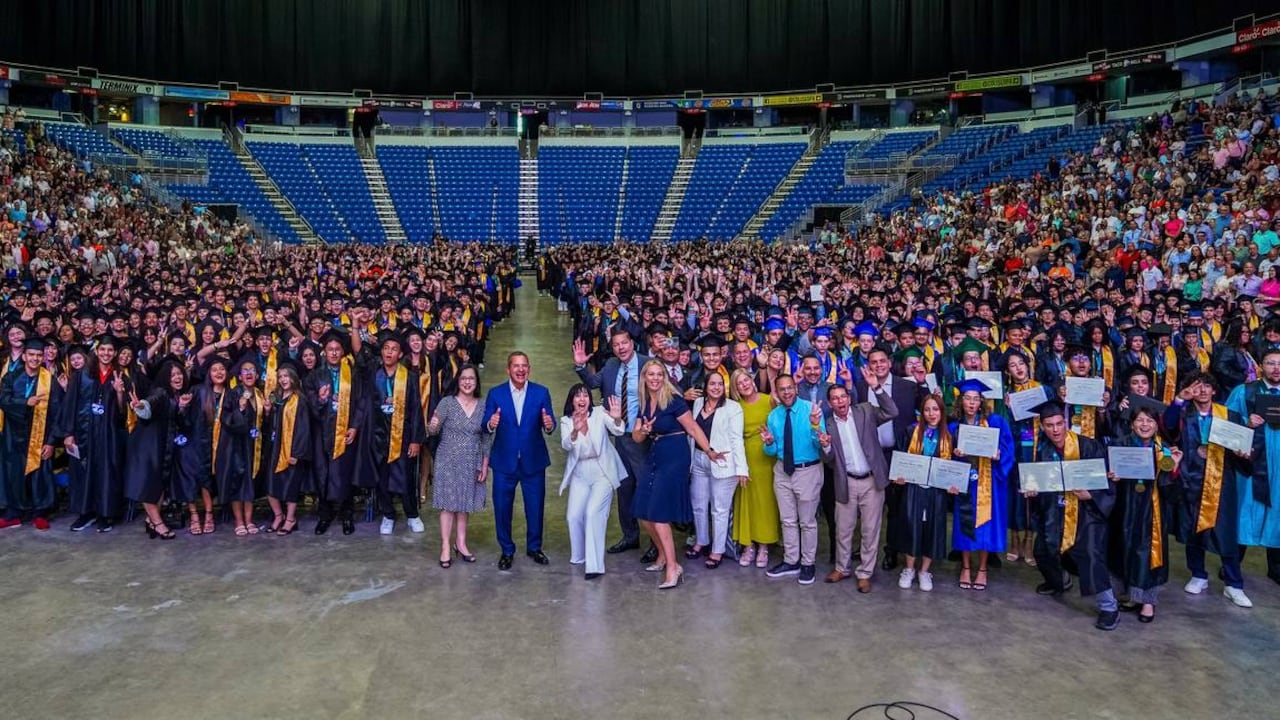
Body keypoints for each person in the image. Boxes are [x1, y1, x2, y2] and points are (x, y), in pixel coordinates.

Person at [1163, 372, 1254, 608]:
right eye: (1197, 386)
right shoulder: (1183, 414)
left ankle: (1234, 584)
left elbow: (1245, 449)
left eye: (1207, 386)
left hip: (1221, 481)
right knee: (1194, 529)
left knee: (1225, 532)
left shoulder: (1229, 415)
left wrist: (1243, 453)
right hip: (1191, 480)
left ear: (1214, 391)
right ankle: (1198, 574)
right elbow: (1167, 427)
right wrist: (1179, 399)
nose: (1202, 390)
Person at [631, 359, 722, 589]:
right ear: (644, 378)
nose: (654, 378)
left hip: (675, 455)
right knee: (643, 511)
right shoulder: (644, 403)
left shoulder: (673, 400)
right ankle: (662, 555)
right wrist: (643, 430)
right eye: (650, 374)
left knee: (659, 514)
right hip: (656, 454)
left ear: (664, 377)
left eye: (659, 374)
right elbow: (636, 437)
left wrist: (709, 450)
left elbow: (692, 428)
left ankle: (673, 567)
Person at [1028, 401, 1117, 630]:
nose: (1055, 430)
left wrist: (1092, 494)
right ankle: (1060, 581)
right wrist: (1033, 489)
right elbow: (1038, 481)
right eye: (1050, 425)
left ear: (1065, 423)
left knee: (1090, 554)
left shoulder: (1089, 446)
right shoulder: (1041, 450)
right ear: (1043, 427)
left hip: (1086, 513)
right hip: (1056, 511)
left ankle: (1109, 607)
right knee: (1041, 549)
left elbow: (1106, 480)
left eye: (1059, 424)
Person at [572, 327, 652, 559]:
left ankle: (655, 542)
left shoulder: (648, 364)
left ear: (632, 342)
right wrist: (580, 366)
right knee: (624, 487)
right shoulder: (610, 366)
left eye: (624, 343)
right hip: (619, 436)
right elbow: (593, 382)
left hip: (643, 436)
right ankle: (630, 536)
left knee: (645, 487)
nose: (621, 348)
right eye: (616, 345)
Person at [820, 372, 898, 591]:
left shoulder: (864, 410)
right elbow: (829, 460)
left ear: (849, 397)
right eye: (834, 398)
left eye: (842, 396)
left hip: (872, 482)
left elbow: (892, 411)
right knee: (843, 529)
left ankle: (865, 572)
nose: (839, 401)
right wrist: (825, 446)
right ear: (830, 403)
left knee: (870, 530)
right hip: (846, 482)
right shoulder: (828, 424)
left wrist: (877, 389)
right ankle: (842, 568)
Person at [484, 351, 557, 571]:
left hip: (533, 461)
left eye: (524, 365)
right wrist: (491, 423)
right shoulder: (496, 393)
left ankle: (534, 547)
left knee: (535, 508)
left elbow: (550, 421)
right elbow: (485, 423)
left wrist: (548, 424)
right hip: (504, 462)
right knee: (502, 508)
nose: (520, 369)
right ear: (508, 369)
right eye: (516, 366)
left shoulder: (541, 392)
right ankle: (507, 549)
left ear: (529, 369)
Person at [1109, 406, 1180, 623]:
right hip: (1126, 507)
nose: (1145, 425)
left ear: (1157, 425)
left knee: (1148, 553)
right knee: (1125, 549)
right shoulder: (1121, 445)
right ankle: (1131, 595)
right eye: (1140, 420)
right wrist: (1112, 477)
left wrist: (1173, 468)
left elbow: (1170, 491)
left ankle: (1148, 601)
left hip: (1152, 510)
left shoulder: (1165, 450)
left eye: (1150, 421)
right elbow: (1109, 477)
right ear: (1132, 424)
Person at [759, 374, 828, 586]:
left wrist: (816, 426)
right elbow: (771, 451)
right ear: (777, 393)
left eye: (790, 388)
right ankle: (791, 560)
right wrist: (769, 443)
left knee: (807, 522)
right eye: (782, 389)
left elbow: (821, 444)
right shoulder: (774, 416)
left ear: (796, 389)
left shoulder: (811, 410)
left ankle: (808, 563)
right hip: (782, 471)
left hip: (807, 471)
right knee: (787, 520)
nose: (787, 392)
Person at [949, 378, 1014, 591]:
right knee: (964, 523)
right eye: (967, 398)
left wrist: (999, 455)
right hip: (965, 482)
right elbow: (945, 456)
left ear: (981, 402)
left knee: (987, 525)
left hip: (990, 482)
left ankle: (983, 568)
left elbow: (1008, 447)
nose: (971, 403)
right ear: (961, 401)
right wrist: (954, 454)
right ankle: (966, 567)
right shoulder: (953, 426)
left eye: (976, 399)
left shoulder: (996, 422)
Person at [61, 335, 128, 533]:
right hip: (84, 433)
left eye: (110, 350)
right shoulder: (82, 375)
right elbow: (70, 404)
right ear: (96, 352)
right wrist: (68, 433)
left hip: (109, 434)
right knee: (83, 472)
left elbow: (123, 413)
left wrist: (119, 392)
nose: (106, 353)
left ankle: (106, 514)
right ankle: (86, 513)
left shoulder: (120, 375)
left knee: (107, 473)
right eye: (103, 350)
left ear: (114, 353)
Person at [558, 385, 626, 579]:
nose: (582, 398)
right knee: (573, 516)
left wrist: (617, 417)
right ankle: (579, 557)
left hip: (602, 472)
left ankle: (594, 566)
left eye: (585, 395)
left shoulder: (598, 413)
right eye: (577, 396)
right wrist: (575, 431)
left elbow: (618, 430)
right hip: (580, 473)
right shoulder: (566, 421)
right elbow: (565, 445)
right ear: (572, 400)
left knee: (593, 513)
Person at [427, 364, 491, 568]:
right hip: (447, 459)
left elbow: (487, 438)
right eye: (463, 378)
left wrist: (484, 463)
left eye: (471, 378)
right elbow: (433, 430)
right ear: (458, 380)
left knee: (464, 505)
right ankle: (445, 546)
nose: (467, 382)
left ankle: (461, 543)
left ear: (476, 382)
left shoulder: (483, 406)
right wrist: (432, 425)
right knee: (447, 505)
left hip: (471, 460)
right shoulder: (447, 403)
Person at [1226, 345, 1280, 584]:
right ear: (1260, 367)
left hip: (1279, 466)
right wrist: (1246, 424)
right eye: (1270, 363)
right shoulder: (1243, 392)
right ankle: (1232, 565)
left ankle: (1276, 567)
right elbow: (1225, 426)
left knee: (1277, 512)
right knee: (1243, 511)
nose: (1276, 368)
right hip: (1250, 464)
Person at [363, 332, 425, 536]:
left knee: (406, 478)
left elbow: (416, 409)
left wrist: (416, 440)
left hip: (404, 435)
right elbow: (368, 406)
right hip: (379, 435)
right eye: (386, 348)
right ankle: (388, 515)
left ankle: (412, 514)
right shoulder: (374, 375)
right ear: (381, 352)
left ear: (400, 354)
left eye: (394, 349)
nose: (389, 352)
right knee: (382, 478)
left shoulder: (410, 376)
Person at [891, 394, 954, 591]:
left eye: (935, 409)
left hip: (936, 491)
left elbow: (954, 466)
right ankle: (909, 569)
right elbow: (900, 456)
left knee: (933, 529)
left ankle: (925, 571)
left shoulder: (949, 435)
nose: (931, 413)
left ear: (942, 411)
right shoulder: (912, 431)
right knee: (912, 527)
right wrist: (898, 476)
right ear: (921, 412)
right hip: (914, 489)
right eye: (927, 409)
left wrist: (953, 483)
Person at [306, 330, 366, 536]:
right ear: (324, 352)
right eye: (330, 349)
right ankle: (325, 515)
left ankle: (347, 515)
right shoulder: (314, 376)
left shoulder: (353, 374)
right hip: (322, 431)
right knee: (323, 473)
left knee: (344, 473)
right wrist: (322, 400)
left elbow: (361, 402)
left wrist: (355, 427)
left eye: (337, 349)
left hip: (346, 431)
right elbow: (310, 405)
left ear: (343, 352)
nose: (333, 353)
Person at [688, 372, 748, 568]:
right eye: (712, 384)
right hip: (699, 459)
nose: (716, 387)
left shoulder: (733, 408)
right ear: (705, 387)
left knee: (719, 509)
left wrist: (742, 469)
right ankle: (702, 541)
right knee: (698, 504)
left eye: (720, 384)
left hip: (723, 463)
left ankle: (717, 550)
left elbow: (737, 440)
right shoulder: (698, 404)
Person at [0, 338, 60, 530]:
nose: (35, 358)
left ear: (43, 357)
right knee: (12, 474)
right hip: (13, 437)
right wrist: (25, 403)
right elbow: (3, 400)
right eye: (31, 354)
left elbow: (58, 413)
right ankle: (14, 513)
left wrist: (51, 442)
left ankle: (40, 513)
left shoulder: (49, 380)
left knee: (39, 474)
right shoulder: (10, 377)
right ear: (24, 356)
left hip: (40, 436)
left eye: (39, 355)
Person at [123, 360, 187, 540]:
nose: (177, 377)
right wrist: (141, 406)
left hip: (160, 445)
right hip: (146, 446)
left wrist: (181, 407)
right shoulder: (161, 392)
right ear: (166, 378)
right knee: (149, 485)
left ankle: (151, 521)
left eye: (179, 373)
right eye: (173, 375)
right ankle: (158, 523)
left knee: (158, 485)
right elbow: (149, 405)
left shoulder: (176, 395)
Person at [729, 368, 779, 568]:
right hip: (745, 457)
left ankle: (764, 546)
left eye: (746, 380)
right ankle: (748, 545)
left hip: (767, 456)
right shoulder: (735, 407)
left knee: (766, 502)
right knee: (747, 502)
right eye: (739, 383)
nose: (744, 384)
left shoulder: (769, 400)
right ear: (735, 389)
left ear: (752, 380)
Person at [264, 365, 311, 535]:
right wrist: (268, 412)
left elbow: (304, 429)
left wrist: (297, 453)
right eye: (281, 376)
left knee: (290, 485)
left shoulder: (300, 400)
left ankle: (290, 519)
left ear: (293, 378)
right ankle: (278, 516)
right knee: (270, 484)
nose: (283, 379)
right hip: (275, 447)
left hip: (291, 449)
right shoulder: (275, 397)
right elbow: (270, 425)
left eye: (287, 376)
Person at [223, 359, 268, 536]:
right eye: (245, 371)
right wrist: (240, 410)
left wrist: (268, 412)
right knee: (237, 481)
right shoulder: (233, 394)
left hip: (254, 444)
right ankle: (239, 521)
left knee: (249, 483)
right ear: (240, 376)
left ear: (257, 375)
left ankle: (249, 520)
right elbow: (226, 420)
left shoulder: (260, 393)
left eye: (252, 370)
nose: (248, 373)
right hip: (237, 444)